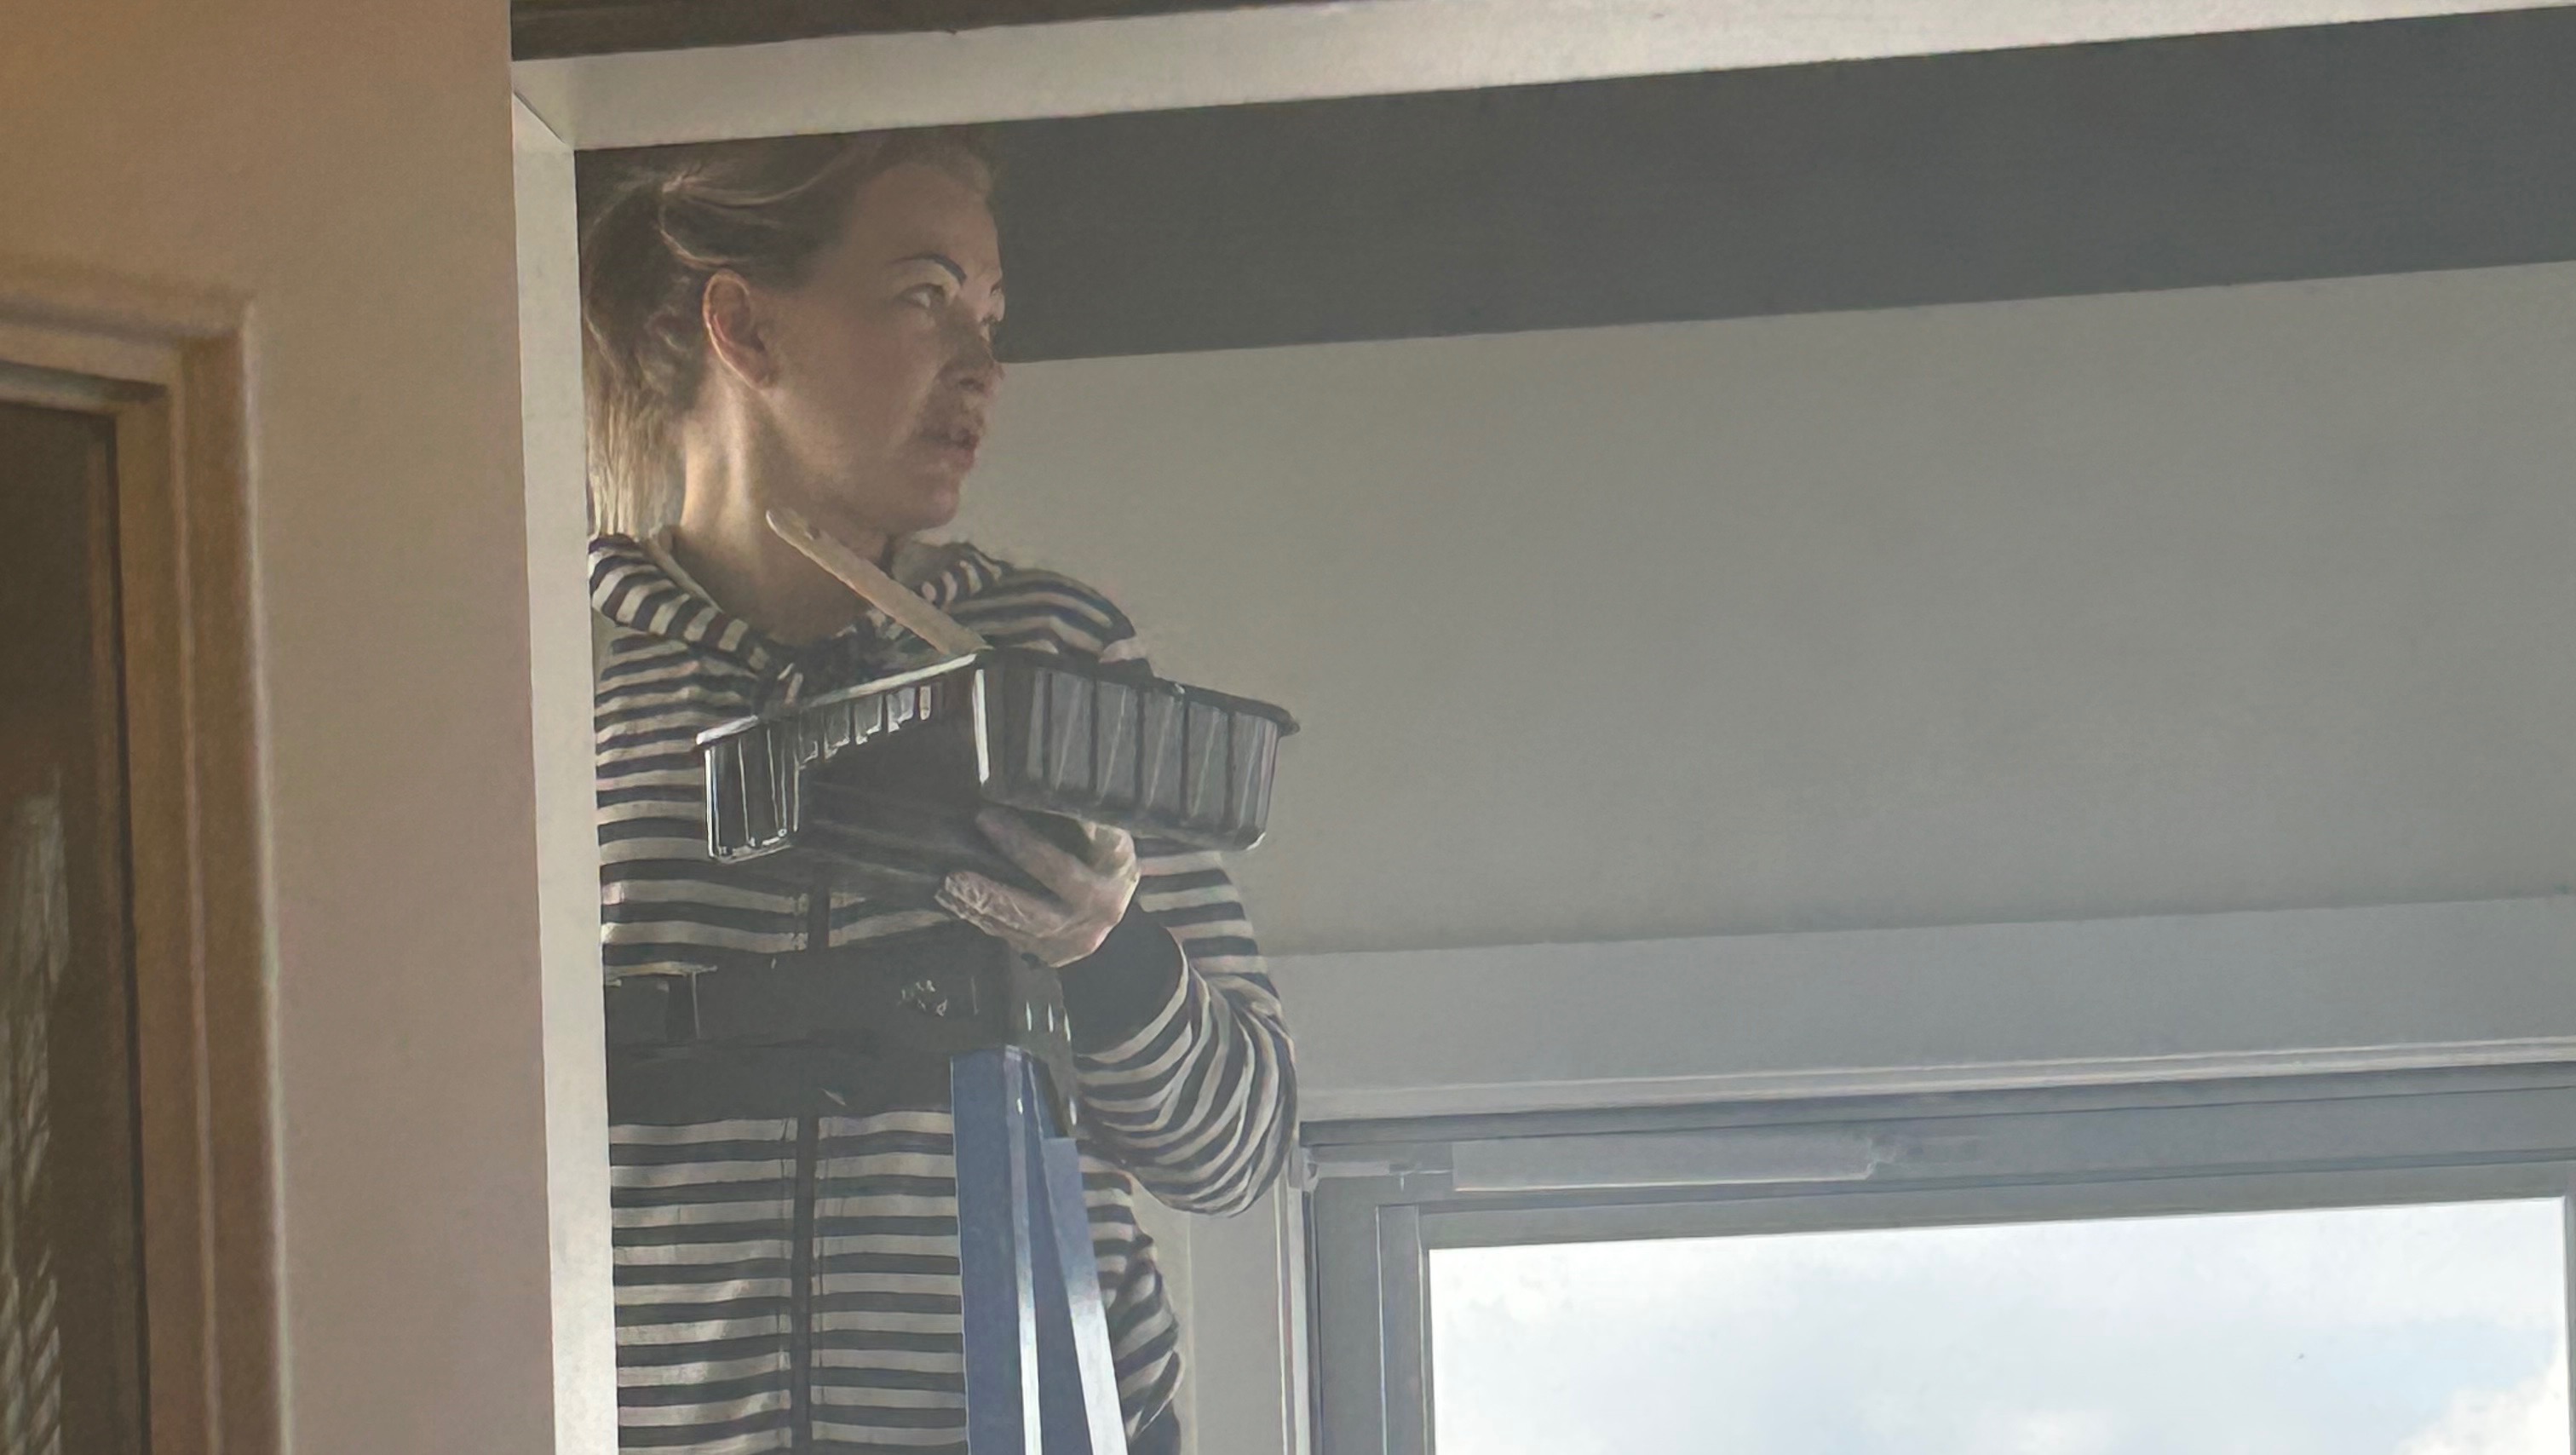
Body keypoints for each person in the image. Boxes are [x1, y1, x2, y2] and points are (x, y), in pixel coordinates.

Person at [578, 129, 1297, 1454]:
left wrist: (1103, 948)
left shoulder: (1053, 663)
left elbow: (1237, 1147)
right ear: (744, 326)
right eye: (925, 297)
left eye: (991, 318)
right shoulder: (553, 684)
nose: (984, 367)